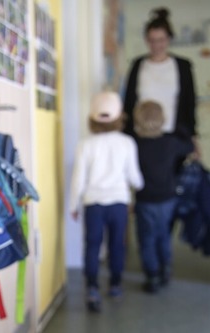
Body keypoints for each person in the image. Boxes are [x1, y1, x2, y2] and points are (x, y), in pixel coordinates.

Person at [69, 92, 144, 312]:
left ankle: (92, 288)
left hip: (93, 203)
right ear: (120, 117)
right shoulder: (127, 143)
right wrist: (140, 186)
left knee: (92, 245)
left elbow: (78, 178)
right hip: (119, 203)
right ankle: (115, 285)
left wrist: (74, 205)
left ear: (92, 118)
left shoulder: (85, 144)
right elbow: (135, 178)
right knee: (116, 245)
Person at [133, 101, 195, 293]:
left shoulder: (135, 144)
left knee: (146, 238)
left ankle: (152, 276)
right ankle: (165, 269)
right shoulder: (170, 142)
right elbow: (189, 146)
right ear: (162, 119)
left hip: (145, 199)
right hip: (168, 198)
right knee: (163, 236)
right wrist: (181, 129)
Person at [122, 7, 199, 153]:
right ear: (146, 40)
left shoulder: (183, 66)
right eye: (152, 40)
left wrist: (193, 137)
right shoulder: (138, 65)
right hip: (141, 137)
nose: (156, 45)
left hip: (174, 136)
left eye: (161, 40)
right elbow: (129, 102)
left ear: (169, 39)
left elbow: (190, 103)